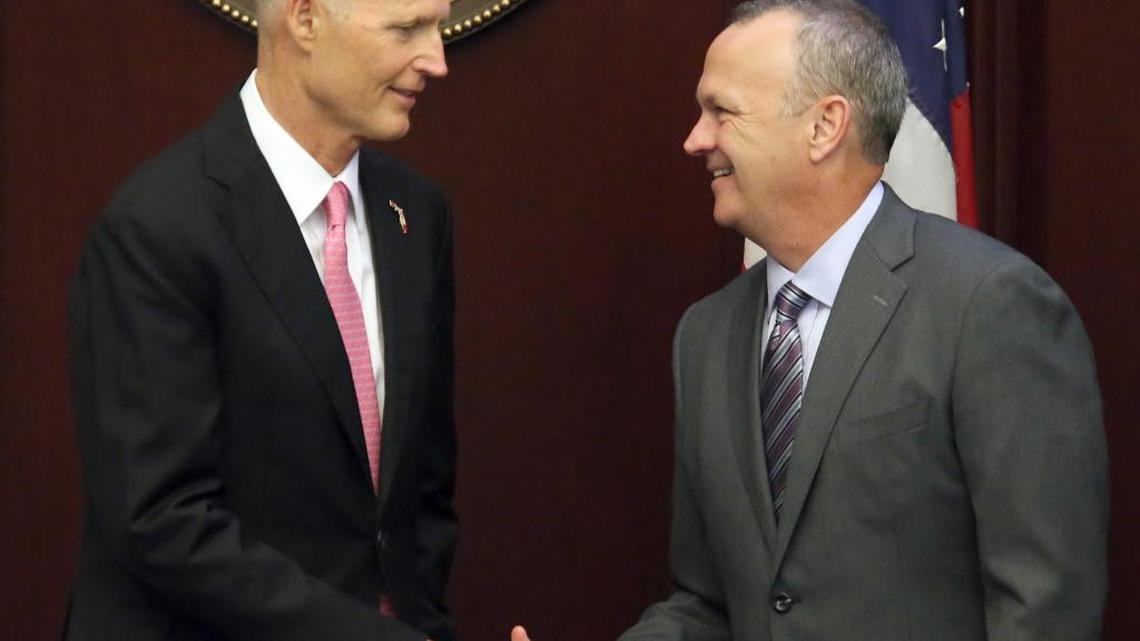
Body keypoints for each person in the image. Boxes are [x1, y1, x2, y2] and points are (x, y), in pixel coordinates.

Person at [510, 1, 1107, 640]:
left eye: (722, 111)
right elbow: (711, 604)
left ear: (825, 126)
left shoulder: (990, 304)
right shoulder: (705, 337)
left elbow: (1045, 610)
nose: (695, 138)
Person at [66, 0, 457, 639]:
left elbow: (423, 489)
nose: (436, 60)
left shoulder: (415, 213)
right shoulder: (158, 227)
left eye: (438, 27)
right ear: (305, 19)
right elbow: (161, 519)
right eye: (406, 28)